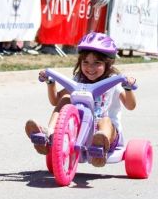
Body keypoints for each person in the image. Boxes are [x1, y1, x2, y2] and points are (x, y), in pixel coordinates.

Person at [25, 33, 137, 167]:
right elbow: (56, 100)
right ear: (80, 62)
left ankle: (100, 147)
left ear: (108, 63)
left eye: (97, 63)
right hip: (78, 132)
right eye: (86, 62)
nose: (90, 68)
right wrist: (51, 83)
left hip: (108, 135)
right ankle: (49, 135)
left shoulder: (113, 81)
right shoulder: (79, 80)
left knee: (105, 120)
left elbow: (130, 106)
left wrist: (128, 88)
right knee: (66, 99)